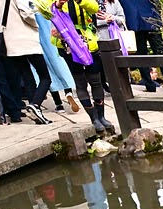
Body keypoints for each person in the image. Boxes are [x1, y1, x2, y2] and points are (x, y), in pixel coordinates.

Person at [36, 0, 115, 134]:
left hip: (89, 41)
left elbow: (94, 7)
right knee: (80, 82)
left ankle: (102, 116)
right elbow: (47, 13)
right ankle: (93, 118)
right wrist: (57, 6)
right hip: (67, 42)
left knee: (96, 80)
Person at [0, 0, 52, 123]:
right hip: (26, 36)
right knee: (45, 77)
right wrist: (35, 24)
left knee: (25, 74)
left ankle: (35, 112)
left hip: (8, 39)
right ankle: (35, 105)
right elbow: (26, 12)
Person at [120, 0, 163, 92]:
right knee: (160, 52)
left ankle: (150, 85)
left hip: (135, 20)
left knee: (142, 55)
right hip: (150, 19)